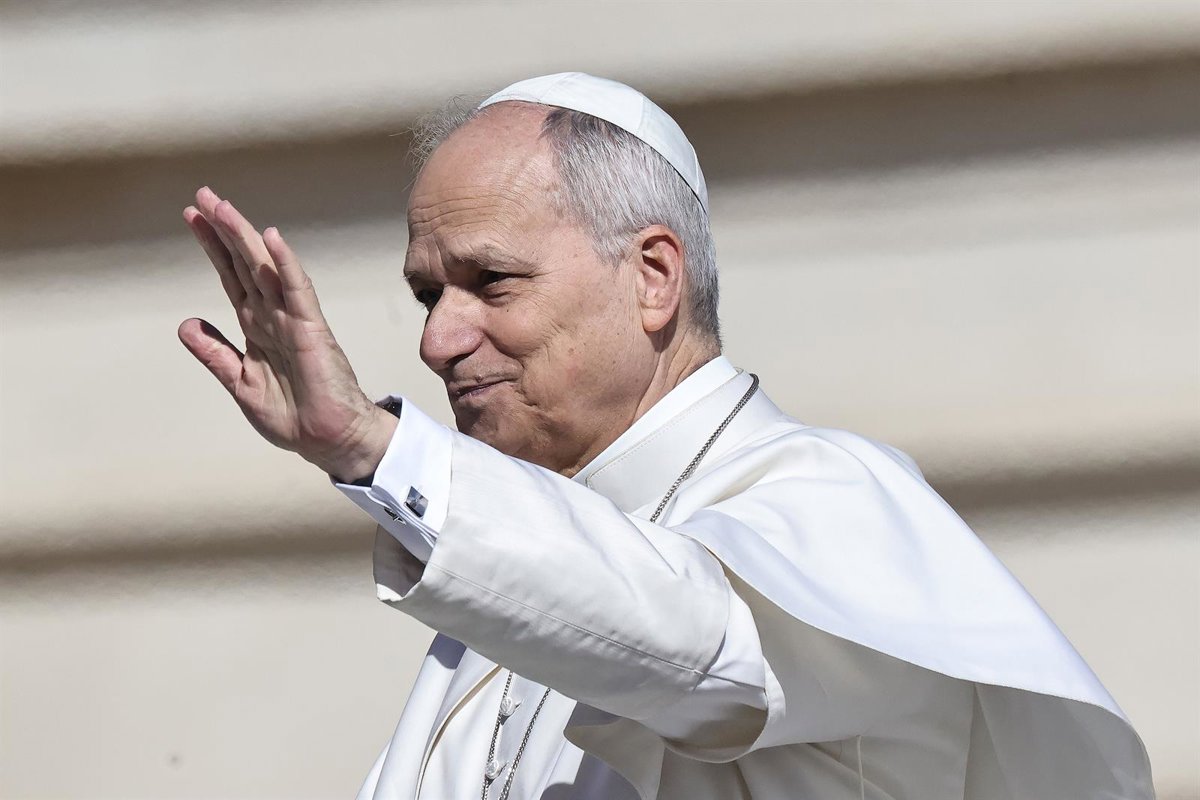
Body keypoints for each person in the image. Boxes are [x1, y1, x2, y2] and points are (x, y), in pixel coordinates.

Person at [178, 73, 1154, 799]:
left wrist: (377, 449)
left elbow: (694, 642)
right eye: (429, 294)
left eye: (491, 282)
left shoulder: (831, 499)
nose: (438, 340)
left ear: (653, 277)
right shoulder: (487, 611)